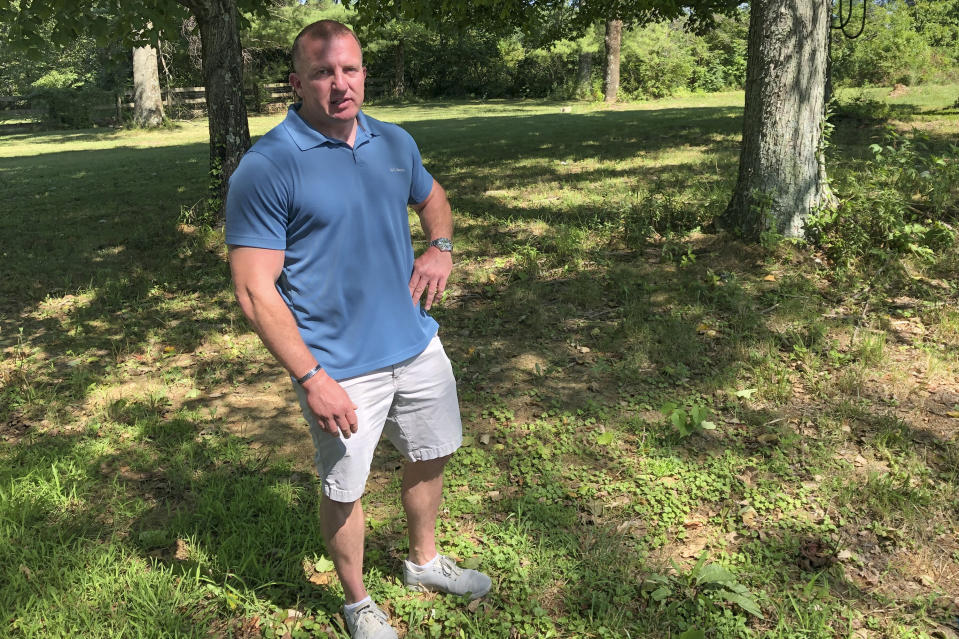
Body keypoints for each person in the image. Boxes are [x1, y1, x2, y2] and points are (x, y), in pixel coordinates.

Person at [224, 19, 491, 639]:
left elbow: (433, 199)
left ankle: (424, 563)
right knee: (345, 487)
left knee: (431, 453)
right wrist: (311, 377)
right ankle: (357, 601)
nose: (339, 84)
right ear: (297, 82)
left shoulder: (393, 143)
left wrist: (440, 247)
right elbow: (253, 289)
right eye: (322, 72)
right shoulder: (267, 166)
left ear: (364, 74)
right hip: (339, 366)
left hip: (416, 341)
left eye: (349, 69)